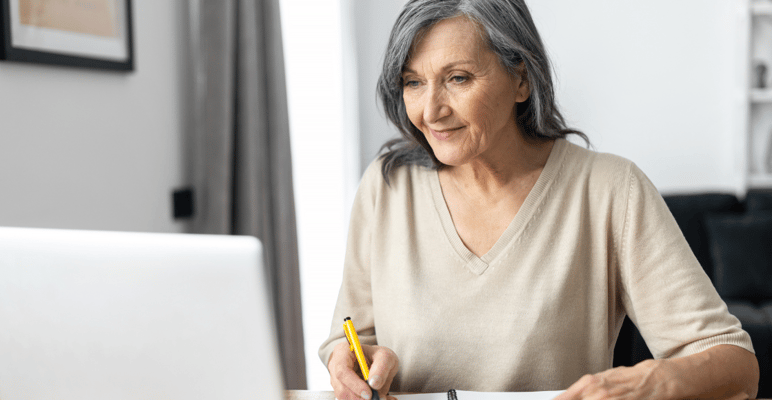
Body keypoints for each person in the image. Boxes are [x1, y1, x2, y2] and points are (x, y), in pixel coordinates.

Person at [318, 1, 760, 399]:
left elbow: (735, 365)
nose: (431, 110)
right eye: (413, 82)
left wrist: (646, 381)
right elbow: (351, 337)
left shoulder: (609, 189)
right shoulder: (387, 186)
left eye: (458, 78)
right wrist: (350, 364)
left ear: (521, 79)